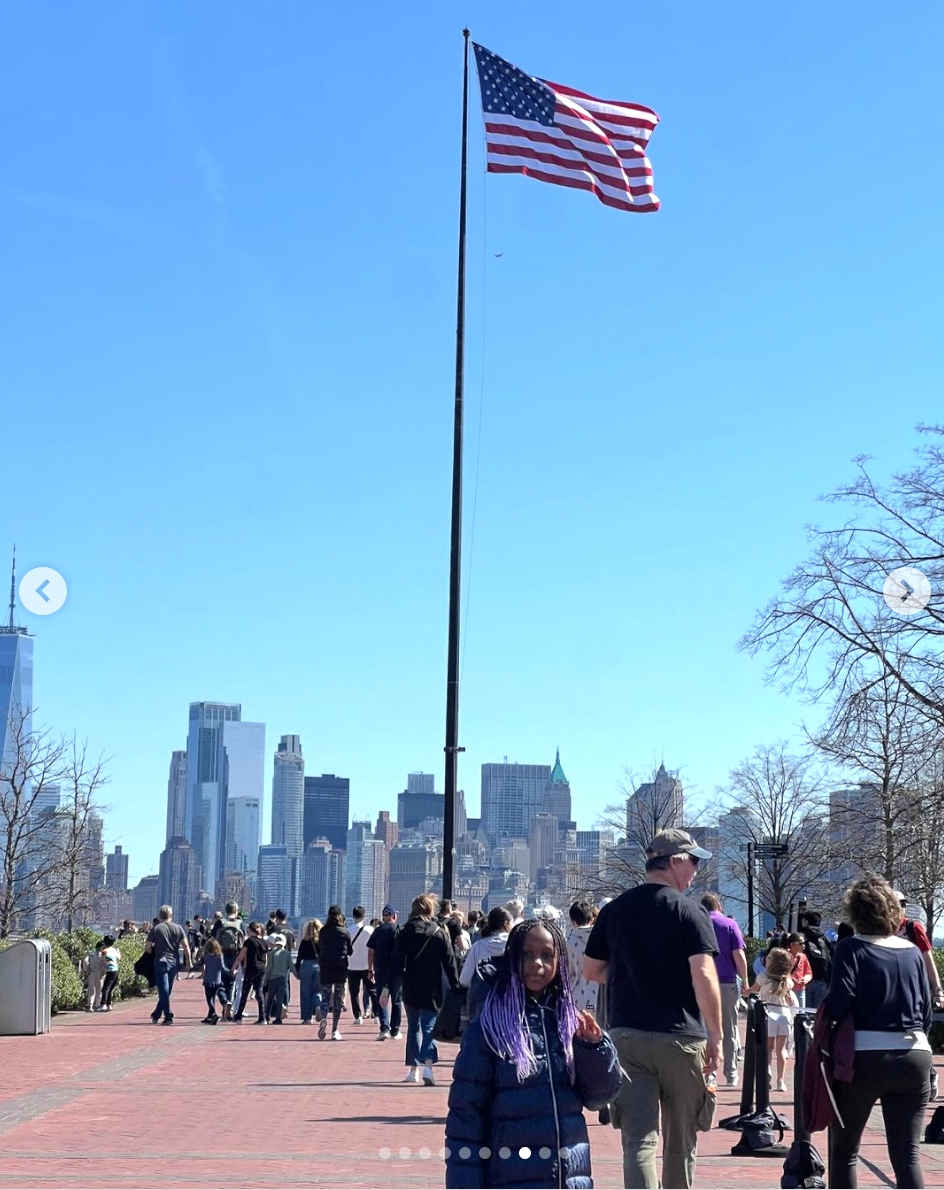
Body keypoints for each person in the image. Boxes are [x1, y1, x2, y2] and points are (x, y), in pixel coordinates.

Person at [584, 829, 721, 1190]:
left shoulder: (614, 910)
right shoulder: (690, 911)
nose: (695, 870)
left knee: (638, 1142)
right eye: (692, 861)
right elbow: (704, 975)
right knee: (680, 1142)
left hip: (627, 1035)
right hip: (681, 1037)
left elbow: (591, 970)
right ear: (675, 861)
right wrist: (717, 1036)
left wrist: (632, 967)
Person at [445, 917, 621, 1189]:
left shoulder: (569, 1023)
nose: (536, 963)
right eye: (526, 954)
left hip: (568, 1178)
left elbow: (599, 1097)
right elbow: (465, 1120)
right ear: (512, 957)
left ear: (559, 962)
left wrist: (594, 1047)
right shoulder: (489, 1028)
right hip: (509, 1177)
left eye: (547, 955)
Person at [823, 874, 933, 1190]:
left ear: (854, 913)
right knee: (907, 1156)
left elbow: (839, 1006)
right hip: (914, 1055)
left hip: (863, 1059)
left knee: (844, 1152)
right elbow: (924, 1013)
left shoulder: (850, 949)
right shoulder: (912, 952)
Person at [393, 892, 461, 1085]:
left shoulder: (405, 931)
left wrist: (389, 987)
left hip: (410, 986)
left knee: (413, 1028)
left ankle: (413, 1070)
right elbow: (449, 962)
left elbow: (397, 962)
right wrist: (456, 984)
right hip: (432, 987)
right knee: (429, 1027)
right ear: (430, 909)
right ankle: (428, 1067)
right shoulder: (439, 931)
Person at [701, 893, 748, 1088]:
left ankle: (708, 1073)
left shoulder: (697, 923)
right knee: (729, 1029)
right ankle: (731, 1072)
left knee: (704, 1030)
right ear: (718, 905)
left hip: (702, 983)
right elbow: (739, 954)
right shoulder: (730, 924)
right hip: (727, 982)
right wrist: (745, 981)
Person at [748, 946, 798, 1092]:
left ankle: (767, 1073)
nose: (766, 959)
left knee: (768, 1048)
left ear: (774, 962)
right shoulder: (787, 981)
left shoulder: (763, 977)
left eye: (769, 958)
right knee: (781, 1049)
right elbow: (789, 1001)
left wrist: (744, 992)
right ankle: (780, 1081)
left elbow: (752, 990)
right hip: (784, 1015)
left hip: (768, 1014)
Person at [460, 907, 512, 1022]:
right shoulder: (515, 945)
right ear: (506, 924)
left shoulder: (478, 946)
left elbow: (464, 979)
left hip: (480, 1006)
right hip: (509, 1006)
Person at [894, 891, 944, 1011]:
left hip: (913, 987)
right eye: (896, 904)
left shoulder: (914, 928)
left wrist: (937, 990)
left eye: (903, 904)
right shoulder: (880, 930)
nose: (901, 908)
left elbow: (928, 958)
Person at [145, 905, 191, 1025]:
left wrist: (152, 950)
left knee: (163, 989)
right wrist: (189, 961)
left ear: (160, 916)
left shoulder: (156, 929)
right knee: (167, 989)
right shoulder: (178, 928)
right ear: (171, 915)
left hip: (160, 961)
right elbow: (186, 946)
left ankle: (168, 1015)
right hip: (174, 962)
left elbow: (148, 948)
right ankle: (157, 1013)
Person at [367, 905, 402, 1041]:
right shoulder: (398, 929)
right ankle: (395, 1030)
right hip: (396, 971)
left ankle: (384, 1029)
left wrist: (370, 969)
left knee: (382, 999)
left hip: (381, 970)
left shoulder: (378, 931)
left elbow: (371, 952)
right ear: (393, 915)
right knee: (397, 1001)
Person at [318, 905, 353, 1040]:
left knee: (325, 995)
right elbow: (349, 951)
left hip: (326, 966)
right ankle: (335, 1029)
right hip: (340, 967)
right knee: (338, 998)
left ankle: (324, 1017)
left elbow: (321, 946)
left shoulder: (323, 931)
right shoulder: (344, 932)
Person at [213, 902, 245, 1021]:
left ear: (226, 911)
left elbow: (212, 941)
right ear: (236, 911)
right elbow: (245, 943)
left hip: (221, 955)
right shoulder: (241, 924)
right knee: (232, 983)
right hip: (236, 956)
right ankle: (229, 1006)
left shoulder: (220, 923)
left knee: (219, 983)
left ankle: (224, 1002)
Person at [231, 922, 268, 1024]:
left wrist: (234, 967)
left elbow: (241, 956)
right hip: (261, 970)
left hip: (251, 969)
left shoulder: (249, 941)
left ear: (251, 930)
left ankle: (238, 1016)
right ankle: (262, 1017)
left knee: (245, 992)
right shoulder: (264, 942)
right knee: (259, 992)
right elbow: (266, 958)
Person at [346, 906, 376, 1025]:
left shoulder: (348, 930)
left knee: (354, 992)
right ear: (364, 916)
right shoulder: (370, 930)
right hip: (367, 965)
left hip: (351, 965)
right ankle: (377, 1015)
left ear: (353, 916)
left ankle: (358, 1016)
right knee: (372, 990)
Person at [799, 910, 834, 1009]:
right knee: (818, 1016)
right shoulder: (823, 938)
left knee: (803, 1016)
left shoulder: (801, 937)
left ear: (806, 922)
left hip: (803, 981)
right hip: (822, 981)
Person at [295, 919, 323, 1024]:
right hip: (318, 966)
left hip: (306, 966)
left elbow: (299, 957)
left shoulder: (304, 942)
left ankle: (307, 1018)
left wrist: (297, 970)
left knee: (305, 993)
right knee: (318, 991)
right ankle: (317, 1006)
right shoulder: (321, 941)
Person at [264, 934, 294, 1024]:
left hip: (272, 979)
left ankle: (267, 1017)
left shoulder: (272, 953)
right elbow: (292, 967)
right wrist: (298, 975)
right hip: (282, 979)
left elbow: (269, 967)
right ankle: (278, 1019)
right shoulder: (287, 954)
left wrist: (265, 980)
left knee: (270, 999)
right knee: (280, 999)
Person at [201, 938, 227, 1024]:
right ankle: (209, 1017)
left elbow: (198, 964)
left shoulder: (205, 956)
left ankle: (213, 1015)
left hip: (208, 981)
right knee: (214, 997)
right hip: (217, 980)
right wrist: (231, 971)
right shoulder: (219, 956)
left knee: (210, 999)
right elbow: (223, 968)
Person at [787, 933, 813, 1008]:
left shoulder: (803, 957)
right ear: (792, 944)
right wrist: (790, 978)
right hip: (787, 990)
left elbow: (809, 973)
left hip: (800, 990)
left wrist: (805, 979)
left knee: (800, 1014)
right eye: (801, 943)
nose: (803, 946)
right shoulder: (784, 956)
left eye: (804, 943)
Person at [99, 936, 121, 1011]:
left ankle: (103, 1004)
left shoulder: (104, 951)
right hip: (116, 970)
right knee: (109, 989)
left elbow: (102, 961)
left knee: (105, 988)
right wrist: (118, 952)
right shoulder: (114, 950)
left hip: (110, 971)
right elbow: (119, 959)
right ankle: (109, 1005)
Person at [82, 940, 104, 1012]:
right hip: (100, 973)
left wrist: (86, 970)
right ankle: (97, 1005)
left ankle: (90, 1005)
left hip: (92, 973)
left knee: (91, 990)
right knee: (99, 990)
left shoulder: (91, 954)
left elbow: (85, 961)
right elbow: (104, 965)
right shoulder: (103, 955)